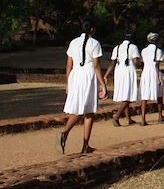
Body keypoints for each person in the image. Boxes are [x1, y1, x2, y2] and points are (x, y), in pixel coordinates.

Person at [56, 18, 107, 155]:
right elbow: (96, 65)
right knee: (86, 110)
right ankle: (65, 133)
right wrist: (102, 84)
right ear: (92, 30)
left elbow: (68, 65)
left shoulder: (73, 42)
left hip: (75, 75)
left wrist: (68, 82)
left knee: (85, 109)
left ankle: (86, 145)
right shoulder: (95, 43)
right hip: (88, 76)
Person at [104, 32, 141, 126]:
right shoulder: (133, 47)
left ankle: (128, 118)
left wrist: (106, 75)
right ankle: (117, 115)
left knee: (124, 94)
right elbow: (136, 61)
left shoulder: (117, 47)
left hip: (118, 71)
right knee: (128, 95)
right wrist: (141, 64)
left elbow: (112, 63)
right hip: (128, 71)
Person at [139, 32, 164, 126]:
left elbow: (142, 64)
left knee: (144, 96)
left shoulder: (143, 50)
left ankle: (143, 118)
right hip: (155, 73)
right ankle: (160, 115)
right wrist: (158, 78)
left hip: (146, 73)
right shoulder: (158, 51)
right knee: (159, 95)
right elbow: (157, 65)